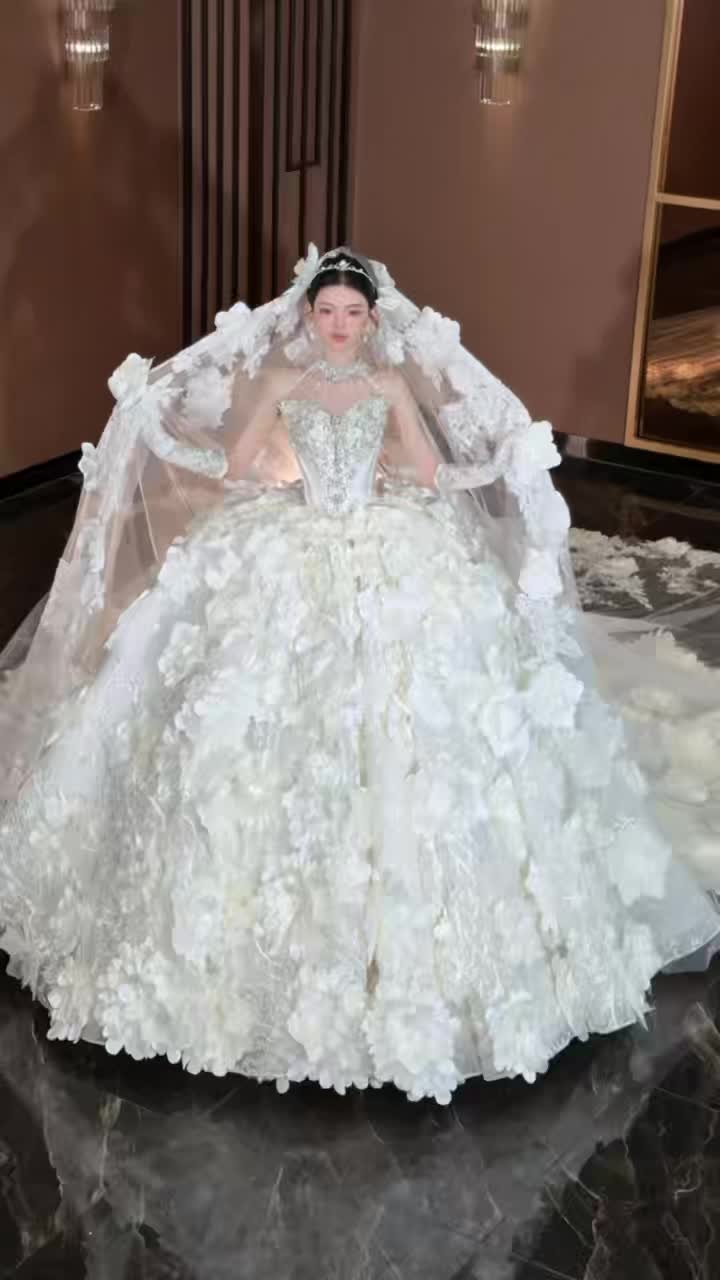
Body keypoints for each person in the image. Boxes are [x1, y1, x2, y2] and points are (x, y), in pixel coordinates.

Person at [0, 246, 719, 1105]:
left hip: (384, 532)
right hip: (297, 529)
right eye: (326, 312)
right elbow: (236, 467)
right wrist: (162, 433)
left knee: (422, 703)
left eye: (352, 313)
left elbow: (426, 471)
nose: (339, 325)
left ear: (372, 319)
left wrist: (479, 463)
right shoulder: (282, 383)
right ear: (307, 316)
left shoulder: (386, 385)